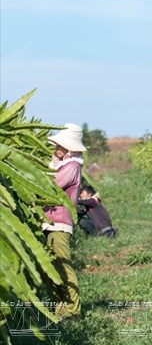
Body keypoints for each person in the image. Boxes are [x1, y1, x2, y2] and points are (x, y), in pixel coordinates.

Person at [42, 123, 86, 319]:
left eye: (60, 146)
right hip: (50, 221)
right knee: (51, 268)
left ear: (69, 149)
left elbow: (51, 186)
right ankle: (60, 309)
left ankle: (73, 311)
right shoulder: (63, 164)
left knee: (62, 265)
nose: (56, 149)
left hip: (59, 222)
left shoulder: (72, 166)